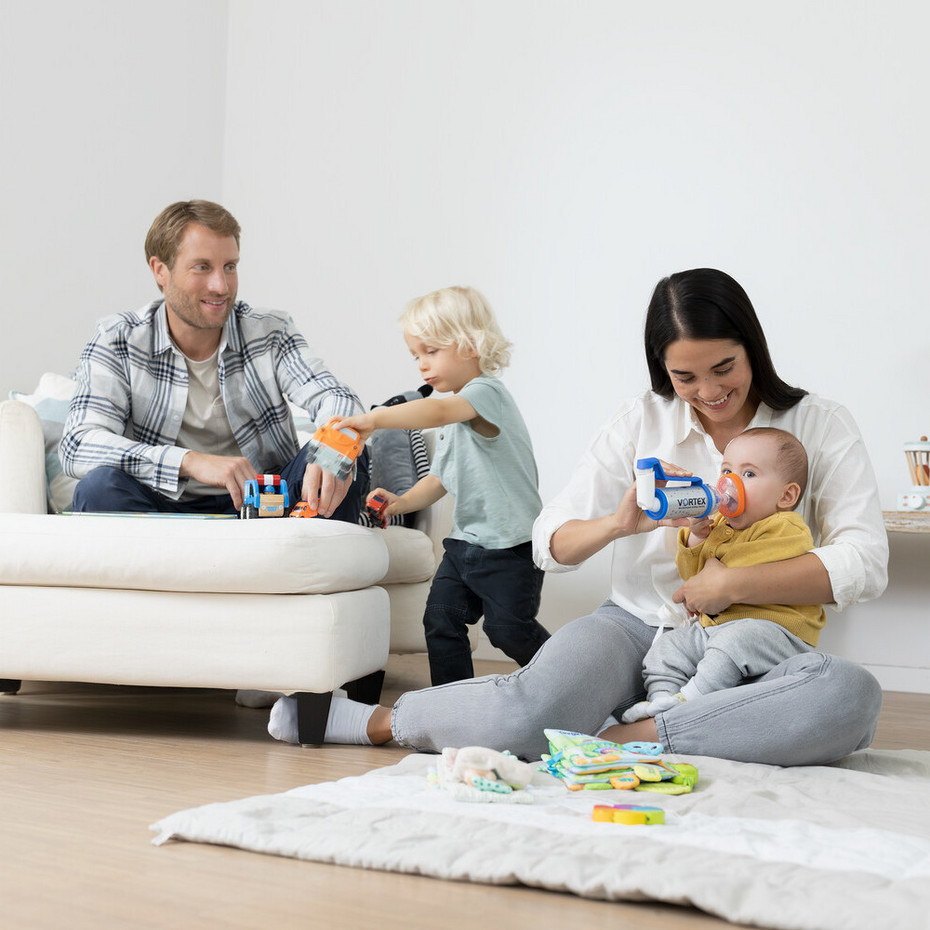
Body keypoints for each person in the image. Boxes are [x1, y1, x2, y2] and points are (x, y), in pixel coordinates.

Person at [268, 268, 888, 768]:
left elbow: (864, 562)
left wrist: (731, 585)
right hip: (640, 625)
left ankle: (624, 738)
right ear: (662, 372)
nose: (709, 391)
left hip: (766, 642)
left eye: (724, 367)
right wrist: (618, 525)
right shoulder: (640, 422)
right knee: (529, 705)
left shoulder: (819, 425)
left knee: (848, 697)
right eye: (685, 376)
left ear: (751, 347)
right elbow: (550, 539)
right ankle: (374, 721)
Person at [59, 200, 368, 521]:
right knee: (97, 488)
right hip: (161, 505)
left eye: (230, 266)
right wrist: (189, 461)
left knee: (343, 450)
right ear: (159, 270)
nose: (221, 286)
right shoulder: (118, 337)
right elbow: (78, 444)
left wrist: (331, 451)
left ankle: (302, 558)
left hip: (269, 506)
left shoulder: (270, 330)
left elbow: (337, 398)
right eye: (202, 267)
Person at [334, 285, 549, 685]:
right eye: (416, 355)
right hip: (466, 544)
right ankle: (453, 704)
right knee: (440, 618)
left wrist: (378, 418)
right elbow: (438, 481)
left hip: (511, 546)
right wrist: (398, 504)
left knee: (507, 630)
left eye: (431, 352)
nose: (421, 365)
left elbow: (435, 409)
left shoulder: (485, 394)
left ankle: (571, 677)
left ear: (469, 344)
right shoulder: (455, 422)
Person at [621, 426, 826, 723]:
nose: (730, 482)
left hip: (773, 629)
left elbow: (743, 571)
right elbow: (694, 578)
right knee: (667, 648)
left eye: (749, 474)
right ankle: (662, 703)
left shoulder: (786, 526)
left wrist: (715, 564)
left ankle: (689, 701)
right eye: (726, 470)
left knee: (732, 644)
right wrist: (697, 539)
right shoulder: (719, 525)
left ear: (786, 495)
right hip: (715, 626)